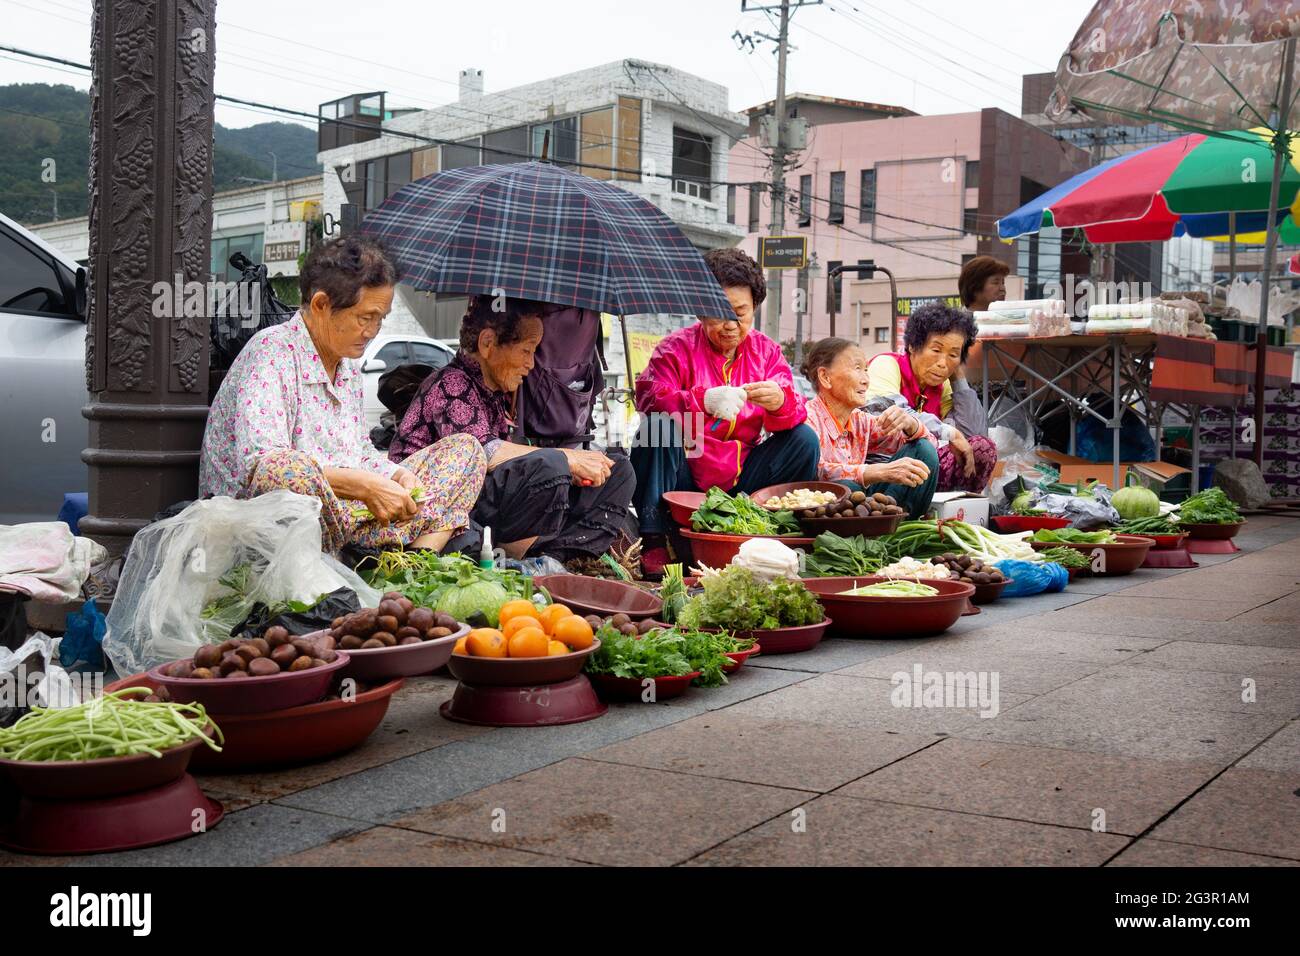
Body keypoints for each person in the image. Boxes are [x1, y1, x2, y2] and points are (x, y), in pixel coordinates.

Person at [199, 236, 486, 555]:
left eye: (381, 318)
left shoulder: (346, 364)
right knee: (286, 471)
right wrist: (362, 486)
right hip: (275, 527)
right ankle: (399, 547)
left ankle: (415, 562)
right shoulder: (272, 353)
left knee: (467, 450)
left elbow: (358, 452)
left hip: (349, 514)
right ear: (322, 305)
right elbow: (263, 470)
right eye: (366, 317)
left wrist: (396, 476)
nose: (374, 330)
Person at [391, 295, 635, 562]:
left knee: (618, 470)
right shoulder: (452, 384)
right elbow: (482, 451)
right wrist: (568, 459)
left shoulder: (494, 392)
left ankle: (555, 560)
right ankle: (521, 556)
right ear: (487, 343)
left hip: (480, 506)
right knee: (551, 465)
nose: (531, 365)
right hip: (431, 510)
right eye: (527, 351)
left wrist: (571, 464)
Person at [630, 247, 819, 572]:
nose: (730, 325)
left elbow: (796, 409)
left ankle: (774, 533)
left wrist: (780, 401)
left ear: (755, 308)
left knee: (804, 439)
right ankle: (655, 541)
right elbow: (649, 398)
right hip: (685, 480)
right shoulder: (674, 350)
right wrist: (701, 401)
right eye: (718, 313)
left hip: (744, 481)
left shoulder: (767, 353)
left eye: (740, 313)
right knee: (655, 429)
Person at [865, 302, 997, 493]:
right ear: (912, 346)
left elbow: (973, 435)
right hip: (884, 467)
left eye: (953, 354)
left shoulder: (941, 384)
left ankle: (954, 512)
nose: (943, 363)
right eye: (936, 350)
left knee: (982, 449)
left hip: (923, 469)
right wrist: (948, 432)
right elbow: (892, 414)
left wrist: (958, 377)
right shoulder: (886, 364)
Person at [801, 338, 938, 519]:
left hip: (860, 505)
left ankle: (897, 526)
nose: (866, 380)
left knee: (924, 450)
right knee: (848, 488)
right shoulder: (807, 418)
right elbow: (817, 473)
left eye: (866, 370)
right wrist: (874, 472)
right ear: (826, 377)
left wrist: (911, 425)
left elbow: (932, 446)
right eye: (857, 369)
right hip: (821, 511)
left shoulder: (861, 421)